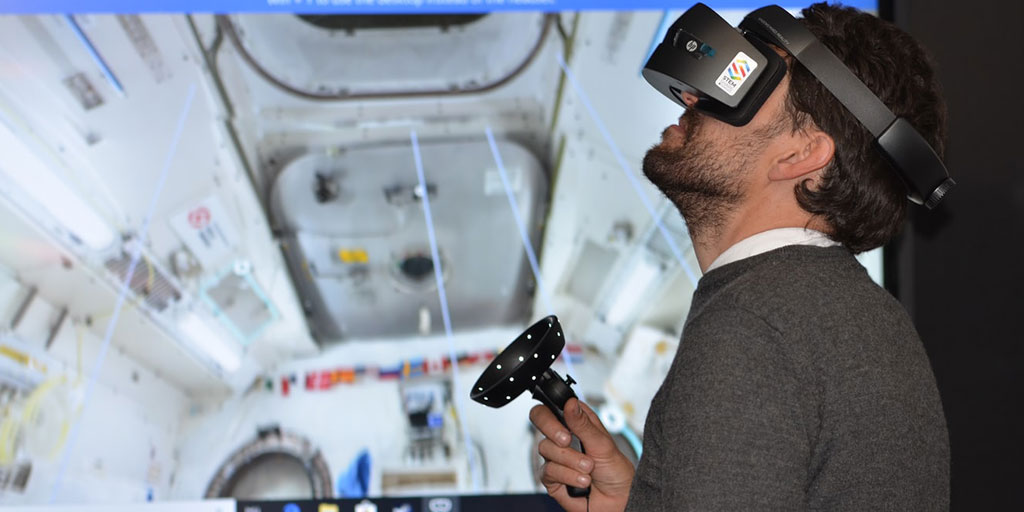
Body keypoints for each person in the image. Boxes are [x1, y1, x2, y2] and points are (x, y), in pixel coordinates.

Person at [529, 3, 950, 511]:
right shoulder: (867, 319)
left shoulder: (752, 326)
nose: (691, 94)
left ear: (800, 156)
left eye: (744, 83)